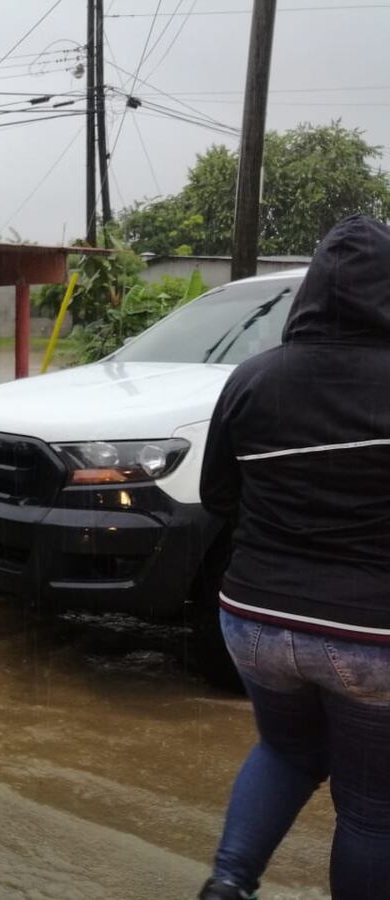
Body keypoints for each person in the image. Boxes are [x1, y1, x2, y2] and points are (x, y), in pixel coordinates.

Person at [196, 215, 390, 900]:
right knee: (371, 803)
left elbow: (217, 496)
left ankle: (227, 885)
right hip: (371, 634)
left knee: (285, 751)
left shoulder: (252, 378)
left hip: (253, 619)